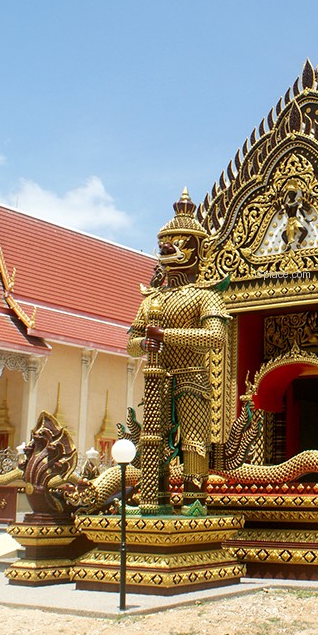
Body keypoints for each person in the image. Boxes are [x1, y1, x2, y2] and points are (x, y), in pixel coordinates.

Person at [127, 190, 230, 516]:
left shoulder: (205, 295)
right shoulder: (151, 299)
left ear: (199, 250)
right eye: (165, 243)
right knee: (152, 440)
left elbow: (216, 337)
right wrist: (145, 344)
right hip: (157, 377)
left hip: (192, 378)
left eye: (178, 242)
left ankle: (194, 499)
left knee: (194, 442)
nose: (167, 248)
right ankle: (152, 497)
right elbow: (131, 342)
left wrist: (165, 335)